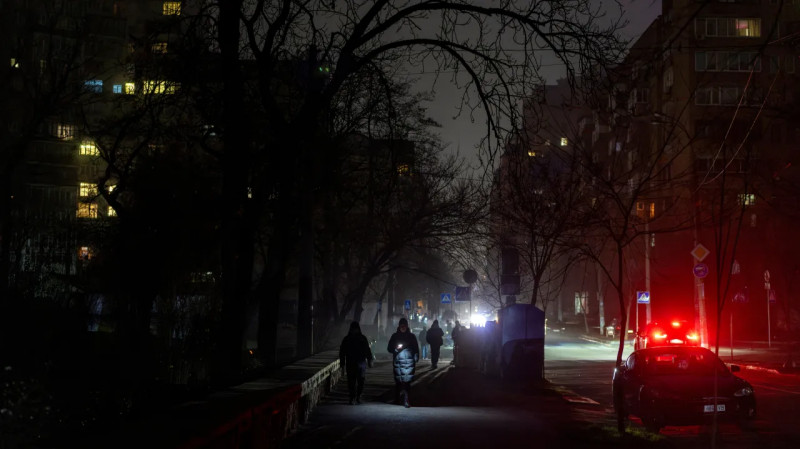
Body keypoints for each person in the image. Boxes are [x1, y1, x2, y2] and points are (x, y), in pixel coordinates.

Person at [339, 321, 374, 405]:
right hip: (352, 363)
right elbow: (342, 352)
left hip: (360, 363)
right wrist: (342, 364)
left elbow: (367, 350)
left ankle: (358, 396)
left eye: (355, 329)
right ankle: (353, 397)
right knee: (351, 381)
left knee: (360, 381)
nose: (354, 330)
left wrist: (370, 359)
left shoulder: (361, 338)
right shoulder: (348, 339)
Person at [387, 317, 419, 408]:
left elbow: (415, 347)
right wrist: (395, 349)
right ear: (399, 326)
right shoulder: (395, 336)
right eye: (401, 326)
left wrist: (416, 355)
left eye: (404, 326)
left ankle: (406, 400)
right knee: (398, 382)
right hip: (398, 363)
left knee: (407, 383)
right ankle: (397, 399)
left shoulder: (411, 336)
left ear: (407, 326)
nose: (403, 327)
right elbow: (389, 348)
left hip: (409, 363)